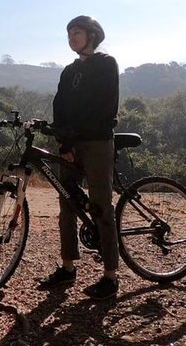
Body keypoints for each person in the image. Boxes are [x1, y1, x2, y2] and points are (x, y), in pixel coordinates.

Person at [38, 15, 120, 299]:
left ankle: (110, 276)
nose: (72, 37)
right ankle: (67, 267)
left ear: (92, 36)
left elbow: (105, 106)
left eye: (77, 32)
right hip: (71, 146)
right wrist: (64, 142)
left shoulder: (107, 64)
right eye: (69, 33)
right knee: (67, 203)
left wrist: (76, 135)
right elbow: (59, 105)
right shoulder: (68, 71)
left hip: (98, 142)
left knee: (101, 206)